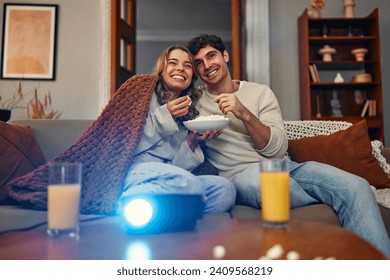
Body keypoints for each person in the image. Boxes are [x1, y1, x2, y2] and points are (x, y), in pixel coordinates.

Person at [186, 34, 390, 256]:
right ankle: (336, 200)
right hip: (241, 175)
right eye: (198, 63)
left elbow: (277, 149)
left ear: (225, 56)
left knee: (358, 186)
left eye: (211, 56)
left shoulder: (260, 92)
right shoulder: (194, 103)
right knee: (270, 186)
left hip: (286, 166)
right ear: (196, 71)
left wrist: (243, 112)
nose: (207, 66)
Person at [120, 45, 235, 213]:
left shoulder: (189, 111)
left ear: (192, 76)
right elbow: (123, 146)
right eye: (173, 63)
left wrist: (191, 142)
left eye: (188, 66)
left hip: (172, 178)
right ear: (161, 69)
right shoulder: (141, 93)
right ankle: (125, 205)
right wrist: (164, 115)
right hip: (136, 171)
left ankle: (160, 210)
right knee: (188, 182)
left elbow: (176, 167)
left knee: (225, 189)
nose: (181, 68)